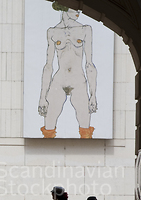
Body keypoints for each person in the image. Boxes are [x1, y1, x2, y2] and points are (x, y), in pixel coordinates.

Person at [38, 2, 98, 139]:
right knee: (49, 123)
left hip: (78, 81)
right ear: (64, 7)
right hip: (59, 81)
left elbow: (89, 64)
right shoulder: (52, 32)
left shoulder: (85, 30)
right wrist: (42, 97)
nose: (79, 11)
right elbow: (48, 66)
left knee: (85, 126)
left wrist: (93, 94)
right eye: (74, 7)